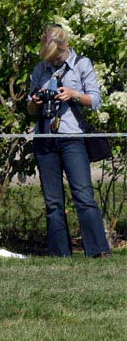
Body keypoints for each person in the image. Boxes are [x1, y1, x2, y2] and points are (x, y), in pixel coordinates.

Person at [27, 24, 111, 258]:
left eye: (55, 57)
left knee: (83, 195)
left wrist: (73, 94)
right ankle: (59, 254)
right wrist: (36, 101)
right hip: (45, 139)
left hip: (72, 137)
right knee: (53, 202)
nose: (52, 61)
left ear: (64, 48)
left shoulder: (82, 64)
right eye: (48, 58)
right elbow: (30, 109)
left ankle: (98, 251)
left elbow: (95, 100)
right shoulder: (40, 69)